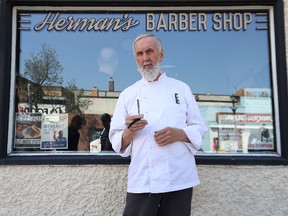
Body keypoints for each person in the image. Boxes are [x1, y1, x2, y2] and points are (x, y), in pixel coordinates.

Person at [109, 34, 207, 216]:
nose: (145, 58)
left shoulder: (182, 89)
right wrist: (129, 131)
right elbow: (116, 140)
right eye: (139, 54)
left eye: (149, 51)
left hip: (179, 178)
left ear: (160, 55)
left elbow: (200, 129)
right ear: (136, 59)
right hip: (143, 179)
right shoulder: (128, 94)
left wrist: (180, 134)